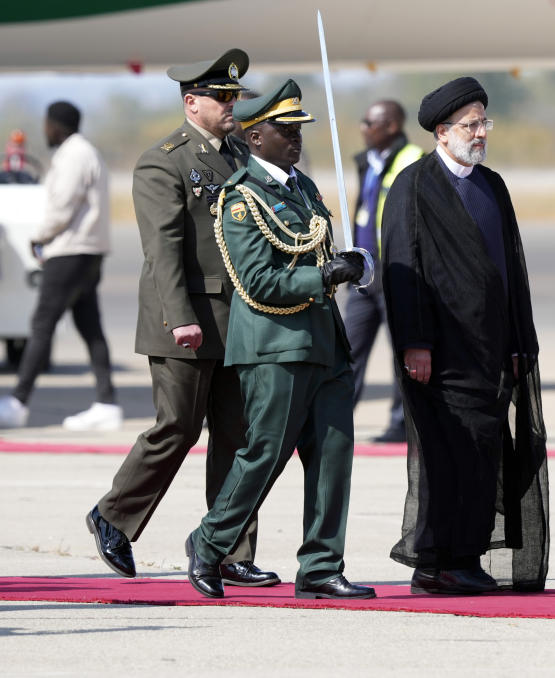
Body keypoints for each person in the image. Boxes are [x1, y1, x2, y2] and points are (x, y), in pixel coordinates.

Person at [86, 49, 278, 588]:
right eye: (221, 97)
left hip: (240, 318)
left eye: (234, 96)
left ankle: (227, 547)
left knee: (238, 437)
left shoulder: (242, 154)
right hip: (187, 321)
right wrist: (179, 318)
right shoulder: (163, 160)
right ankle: (113, 515)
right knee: (177, 428)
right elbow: (163, 249)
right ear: (191, 102)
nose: (230, 105)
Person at [184, 79, 374, 600]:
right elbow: (259, 281)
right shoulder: (242, 199)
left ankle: (320, 566)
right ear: (253, 136)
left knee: (333, 456)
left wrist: (351, 266)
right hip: (275, 345)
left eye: (298, 130)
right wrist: (329, 276)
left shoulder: (303, 189)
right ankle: (209, 541)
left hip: (323, 343)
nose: (295, 139)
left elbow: (319, 252)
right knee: (265, 453)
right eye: (283, 130)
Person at [381, 77, 549, 595]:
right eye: (470, 125)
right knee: (447, 456)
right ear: (442, 132)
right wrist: (415, 343)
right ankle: (437, 560)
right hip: (439, 353)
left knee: (485, 455)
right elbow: (401, 267)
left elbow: (512, 270)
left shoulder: (491, 184)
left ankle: (464, 556)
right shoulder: (414, 185)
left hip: (492, 350)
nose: (480, 134)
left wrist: (520, 341)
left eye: (484, 123)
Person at [0, 102, 120, 431]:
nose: (45, 131)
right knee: (89, 325)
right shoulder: (85, 152)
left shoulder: (74, 156)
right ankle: (106, 402)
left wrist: (38, 237)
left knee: (42, 324)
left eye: (47, 125)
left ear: (56, 125)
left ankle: (18, 402)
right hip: (88, 251)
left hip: (70, 251)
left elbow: (62, 206)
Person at [346, 100, 423, 443]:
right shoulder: (367, 162)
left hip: (396, 273)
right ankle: (336, 419)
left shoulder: (414, 161)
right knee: (348, 351)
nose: (363, 128)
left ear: (391, 126)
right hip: (363, 275)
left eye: (369, 122)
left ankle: (400, 423)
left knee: (401, 354)